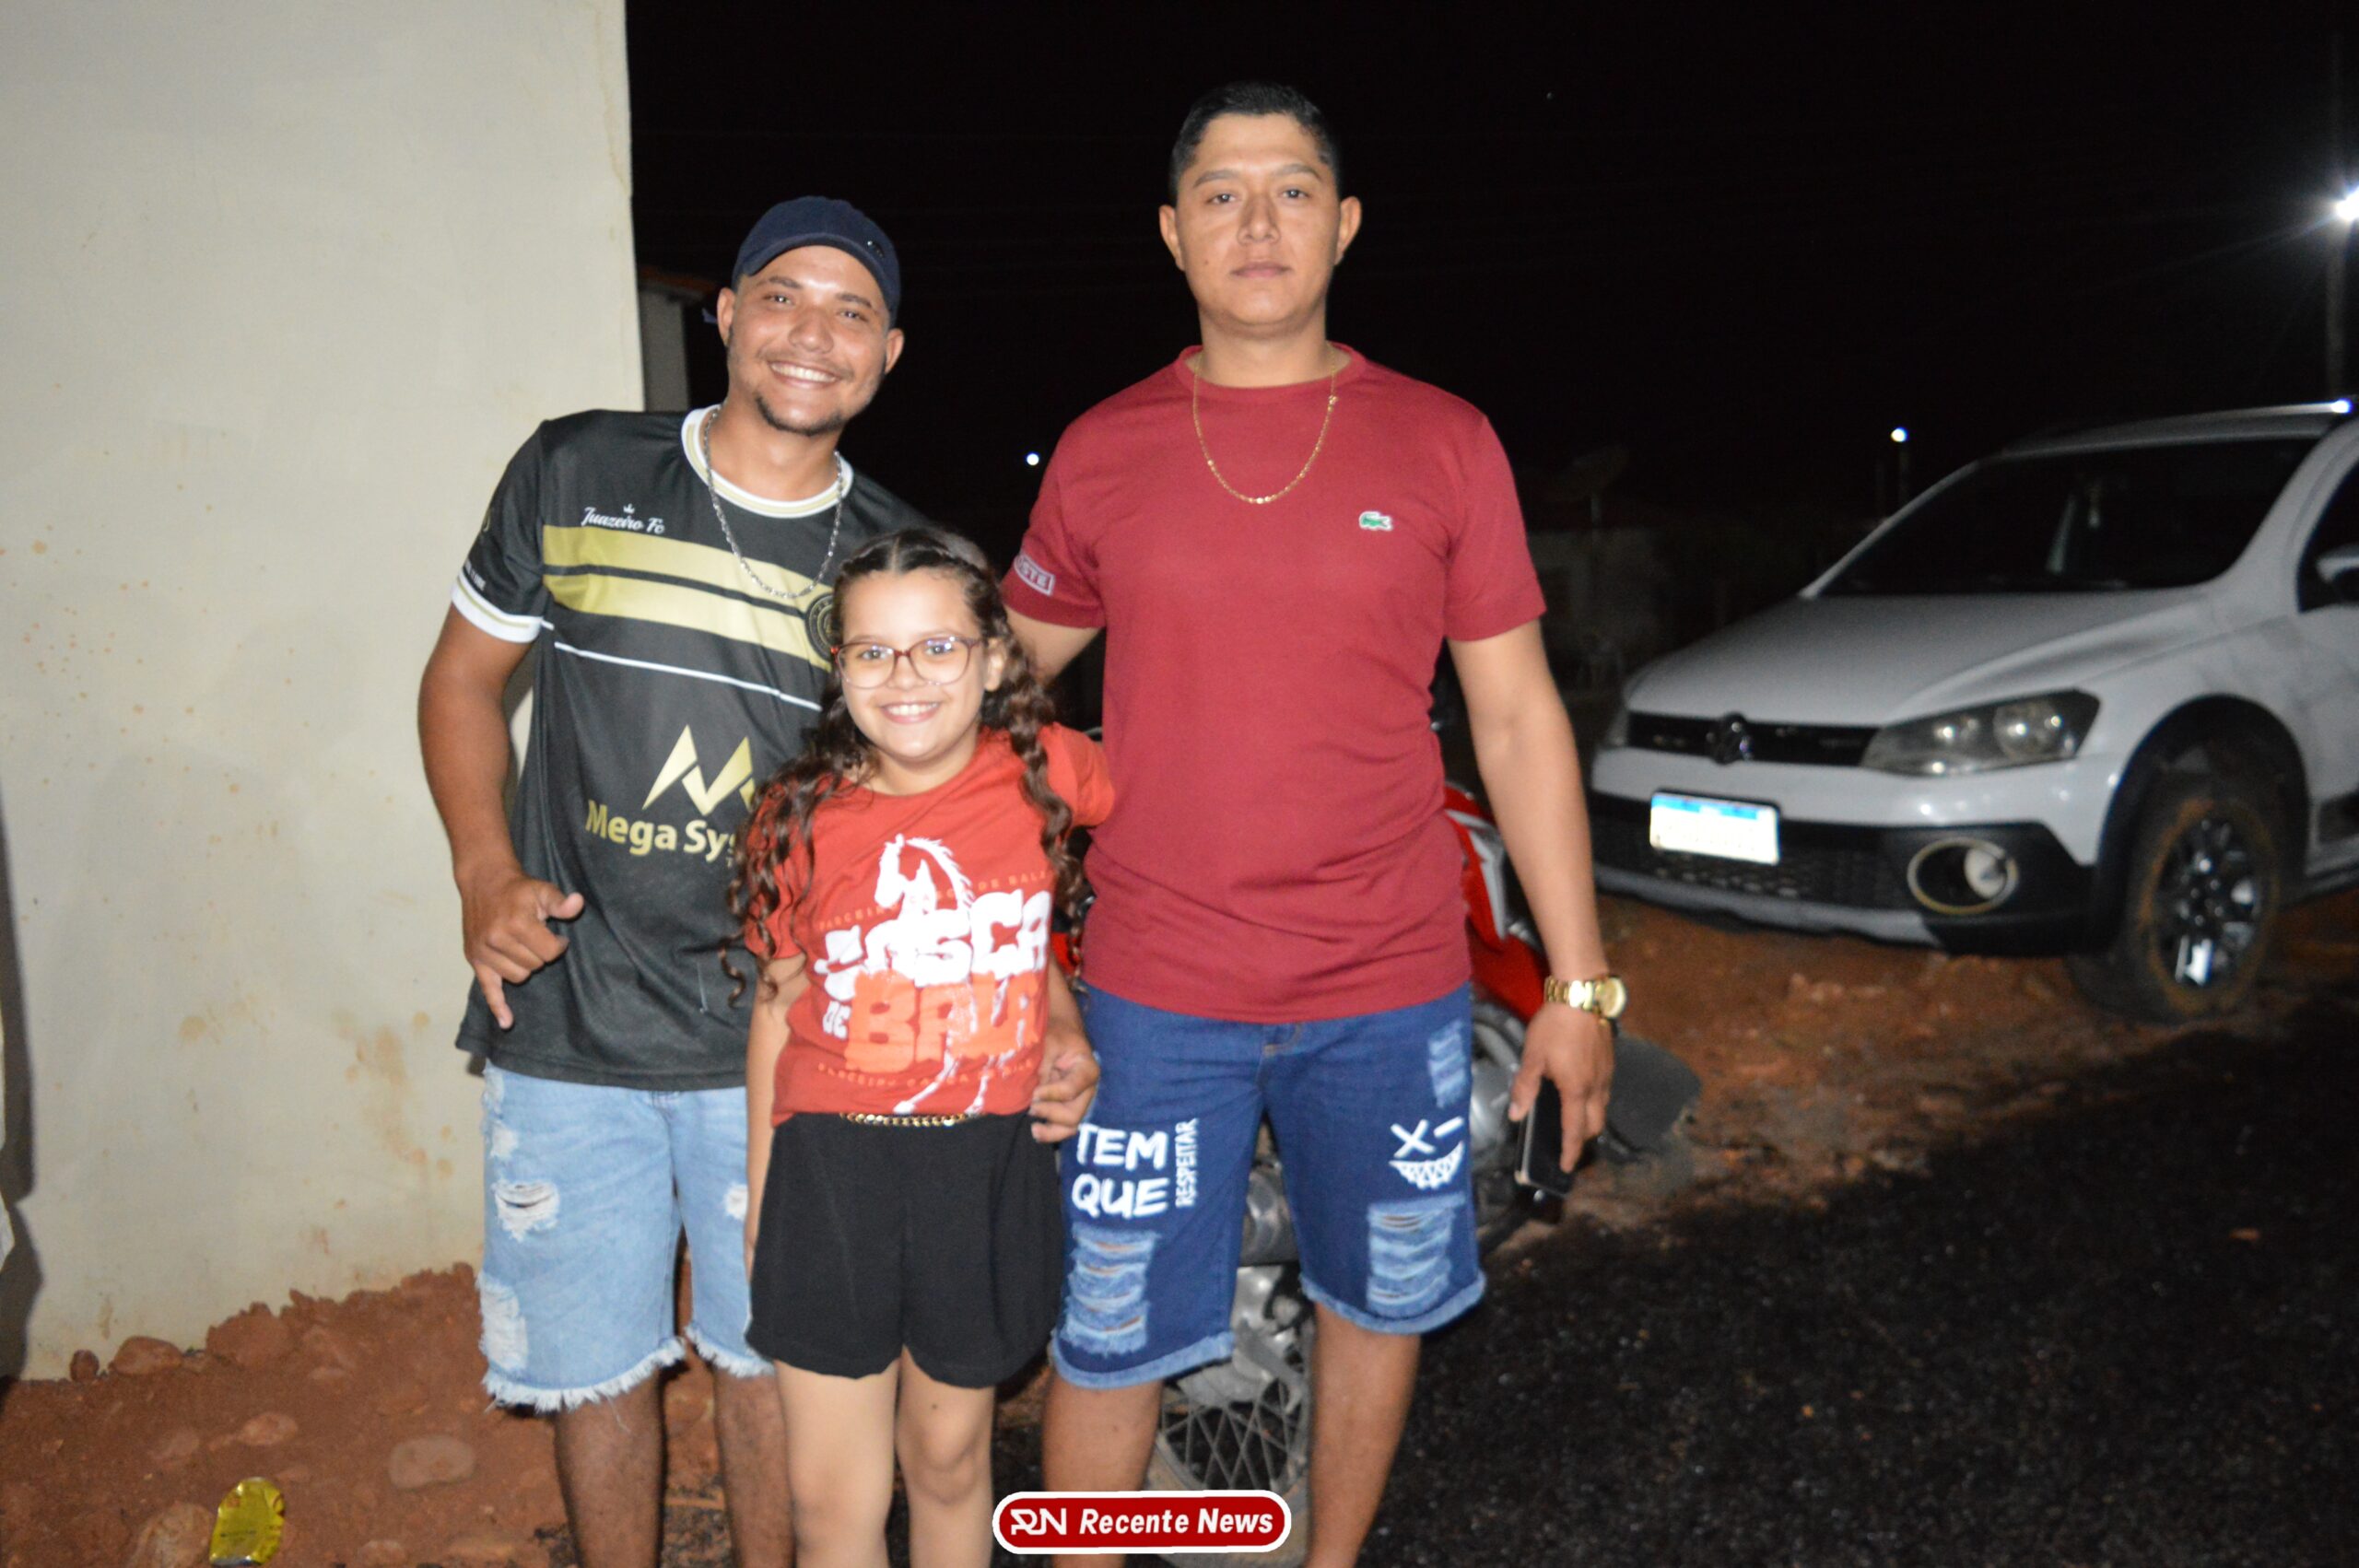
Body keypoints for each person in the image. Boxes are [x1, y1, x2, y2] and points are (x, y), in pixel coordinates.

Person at [1001, 83, 1625, 1567]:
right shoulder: (1103, 449)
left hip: (1389, 981)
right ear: (1173, 234)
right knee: (1110, 1330)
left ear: (1343, 226)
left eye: (1291, 190)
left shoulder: (1444, 439)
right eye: (1220, 193)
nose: (1257, 222)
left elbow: (1519, 719)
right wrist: (1012, 939)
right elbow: (992, 701)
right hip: (1155, 984)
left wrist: (1581, 984)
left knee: (1374, 1303)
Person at [419, 197, 938, 1568]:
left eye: (851, 311)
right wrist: (484, 872)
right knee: (593, 1365)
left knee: (772, 1355)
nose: (811, 333)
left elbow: (941, 806)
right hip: (567, 1011)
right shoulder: (578, 469)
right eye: (781, 296)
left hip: (782, 1033)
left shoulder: (897, 568)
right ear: (724, 315)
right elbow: (462, 682)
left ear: (887, 353)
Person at [731, 527, 1111, 1568]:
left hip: (983, 1163)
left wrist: (1070, 1015)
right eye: (873, 651)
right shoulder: (796, 815)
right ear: (840, 668)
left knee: (947, 1460)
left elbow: (1154, 862)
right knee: (832, 1499)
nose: (905, 678)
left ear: (993, 661)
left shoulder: (1051, 773)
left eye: (938, 647)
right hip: (831, 1168)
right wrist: (762, 1197)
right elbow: (776, 1007)